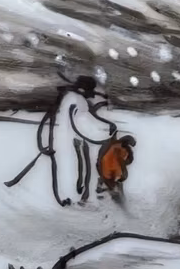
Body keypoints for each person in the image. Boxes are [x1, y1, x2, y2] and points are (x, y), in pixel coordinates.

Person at [35, 77, 118, 207]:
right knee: (72, 169)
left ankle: (78, 196)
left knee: (78, 169)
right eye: (90, 91)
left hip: (71, 140)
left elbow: (84, 120)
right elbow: (82, 123)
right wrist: (106, 130)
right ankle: (72, 198)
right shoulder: (76, 100)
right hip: (69, 141)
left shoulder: (71, 98)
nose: (91, 95)